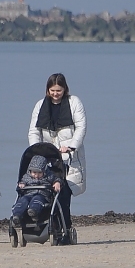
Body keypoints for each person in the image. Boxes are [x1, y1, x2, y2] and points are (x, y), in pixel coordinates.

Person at [28, 73, 86, 243]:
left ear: (64, 89)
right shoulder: (40, 105)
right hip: (47, 160)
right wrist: (36, 150)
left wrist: (71, 146)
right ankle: (54, 228)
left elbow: (81, 127)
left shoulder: (74, 103)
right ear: (48, 90)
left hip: (69, 159)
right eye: (52, 90)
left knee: (63, 195)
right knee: (47, 193)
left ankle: (65, 229)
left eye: (58, 90)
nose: (55, 93)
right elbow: (34, 131)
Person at [11, 154, 61, 225]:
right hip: (28, 194)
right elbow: (22, 182)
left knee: (37, 199)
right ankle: (17, 215)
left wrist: (57, 183)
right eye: (34, 173)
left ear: (44, 171)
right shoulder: (27, 177)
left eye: (39, 173)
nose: (36, 175)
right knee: (22, 201)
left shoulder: (49, 176)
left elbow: (57, 179)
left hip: (42, 195)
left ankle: (34, 212)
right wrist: (21, 184)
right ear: (30, 171)